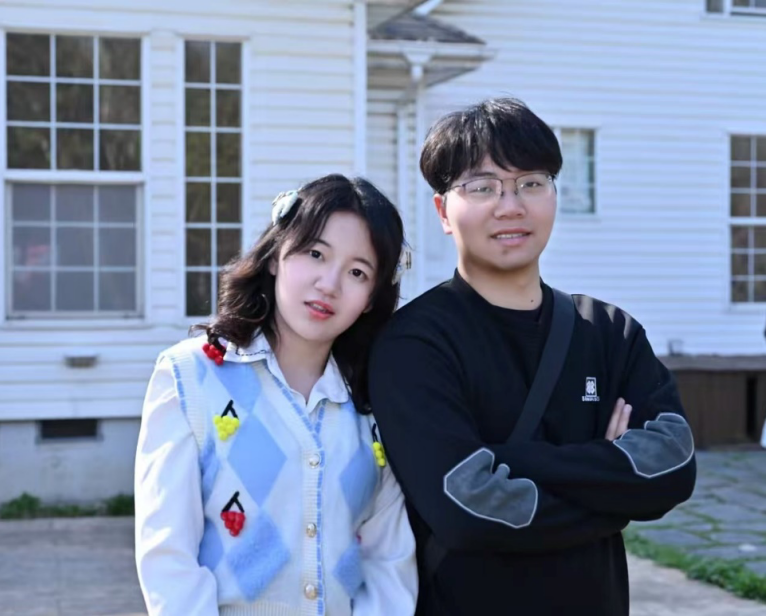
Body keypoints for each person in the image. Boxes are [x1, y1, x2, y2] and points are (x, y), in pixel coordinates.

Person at [367, 98, 697, 616]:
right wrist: (611, 485)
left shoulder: (610, 332)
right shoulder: (415, 344)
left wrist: (508, 461)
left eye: (531, 183)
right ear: (443, 212)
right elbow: (466, 511)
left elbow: (672, 468)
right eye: (483, 187)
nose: (511, 206)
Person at [135, 174, 418, 615]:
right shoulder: (190, 376)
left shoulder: (376, 400)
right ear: (275, 255)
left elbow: (388, 562)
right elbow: (168, 558)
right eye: (315, 254)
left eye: (357, 272)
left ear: (370, 298)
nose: (329, 284)